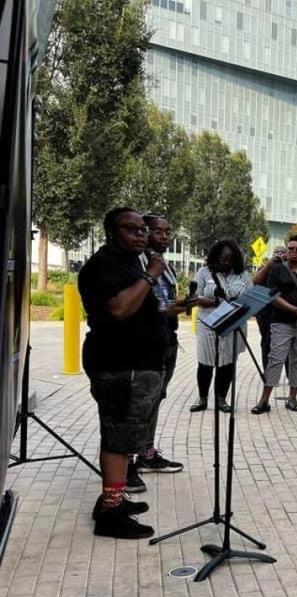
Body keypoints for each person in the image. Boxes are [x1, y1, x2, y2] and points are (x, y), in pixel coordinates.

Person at [78, 208, 170, 538]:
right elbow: (119, 308)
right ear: (111, 232)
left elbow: (141, 308)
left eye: (142, 230)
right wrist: (151, 276)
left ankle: (112, 500)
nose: (140, 235)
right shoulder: (104, 266)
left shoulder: (131, 262)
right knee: (117, 439)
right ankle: (111, 514)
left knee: (124, 435)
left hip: (137, 364)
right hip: (119, 365)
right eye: (131, 230)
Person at [134, 212, 190, 476]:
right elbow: (145, 304)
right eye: (159, 231)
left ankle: (146, 452)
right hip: (145, 340)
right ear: (144, 232)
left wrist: (186, 304)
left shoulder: (163, 262)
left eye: (168, 232)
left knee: (156, 397)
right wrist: (170, 308)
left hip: (167, 337)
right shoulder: (137, 262)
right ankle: (127, 461)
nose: (165, 237)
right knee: (141, 400)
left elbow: (165, 299)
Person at [252, 235, 297, 414]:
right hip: (281, 321)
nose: (294, 252)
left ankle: (292, 398)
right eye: (291, 249)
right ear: (286, 250)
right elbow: (273, 296)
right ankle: (264, 400)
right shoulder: (277, 270)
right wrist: (294, 309)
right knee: (276, 359)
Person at [190, 241, 252, 413]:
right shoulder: (204, 272)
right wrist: (216, 301)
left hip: (233, 324)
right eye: (223, 258)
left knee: (228, 363)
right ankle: (202, 398)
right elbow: (194, 297)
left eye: (230, 259)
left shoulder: (243, 276)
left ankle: (221, 399)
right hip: (208, 323)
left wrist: (240, 305)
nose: (226, 262)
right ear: (215, 257)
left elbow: (249, 296)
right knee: (206, 362)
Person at [252, 245, 286, 369]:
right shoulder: (265, 267)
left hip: (283, 311)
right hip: (265, 312)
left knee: (286, 342)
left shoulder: (288, 268)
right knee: (266, 341)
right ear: (272, 254)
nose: (280, 254)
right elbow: (254, 282)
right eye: (277, 252)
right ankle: (267, 370)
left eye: (283, 252)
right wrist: (268, 266)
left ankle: (289, 373)